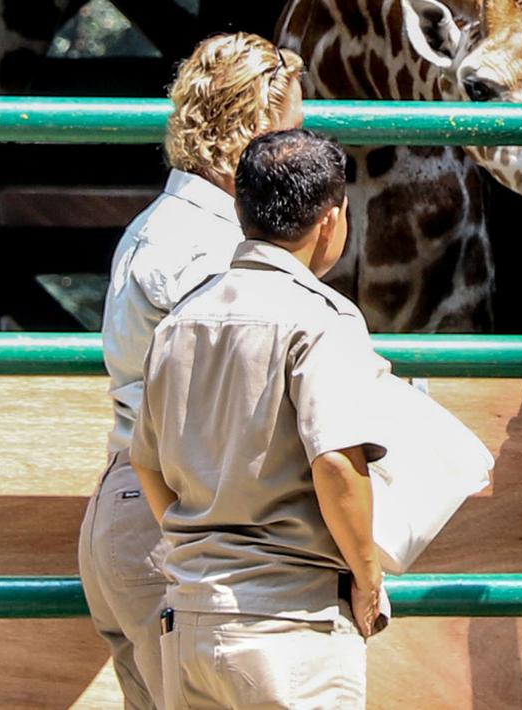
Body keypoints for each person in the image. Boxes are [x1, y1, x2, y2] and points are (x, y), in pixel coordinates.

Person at [77, 33, 304, 710]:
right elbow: (223, 416)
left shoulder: (166, 225)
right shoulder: (210, 251)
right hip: (175, 514)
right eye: (290, 132)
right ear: (255, 129)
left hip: (136, 508)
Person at [130, 129, 388, 710]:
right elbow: (336, 465)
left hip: (192, 619)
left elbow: (144, 464)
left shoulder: (180, 321)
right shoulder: (324, 320)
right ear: (332, 218)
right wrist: (368, 574)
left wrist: (195, 544)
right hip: (290, 622)